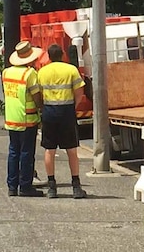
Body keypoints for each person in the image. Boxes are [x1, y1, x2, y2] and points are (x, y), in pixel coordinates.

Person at [37, 43, 87, 199]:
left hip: (49, 111)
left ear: (49, 57)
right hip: (66, 111)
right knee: (71, 150)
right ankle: (76, 186)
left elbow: (38, 93)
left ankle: (52, 187)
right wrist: (73, 106)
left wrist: (42, 108)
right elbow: (79, 92)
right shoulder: (71, 70)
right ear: (63, 54)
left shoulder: (42, 72)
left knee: (49, 150)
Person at [3, 41, 44, 197]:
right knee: (26, 153)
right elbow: (36, 97)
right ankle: (25, 186)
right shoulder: (30, 74)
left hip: (11, 117)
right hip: (27, 119)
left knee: (13, 152)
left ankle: (12, 186)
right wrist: (42, 109)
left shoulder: (6, 72)